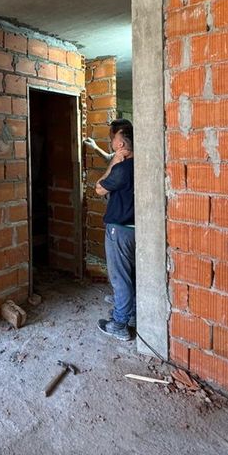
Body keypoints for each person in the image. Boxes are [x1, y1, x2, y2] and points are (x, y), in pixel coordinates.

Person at [94, 126, 135, 341]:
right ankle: (131, 314)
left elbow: (99, 188)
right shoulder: (141, 164)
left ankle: (119, 324)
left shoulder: (122, 168)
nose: (111, 142)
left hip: (119, 230)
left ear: (120, 144)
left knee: (120, 279)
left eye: (114, 139)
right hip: (136, 230)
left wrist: (114, 162)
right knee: (132, 275)